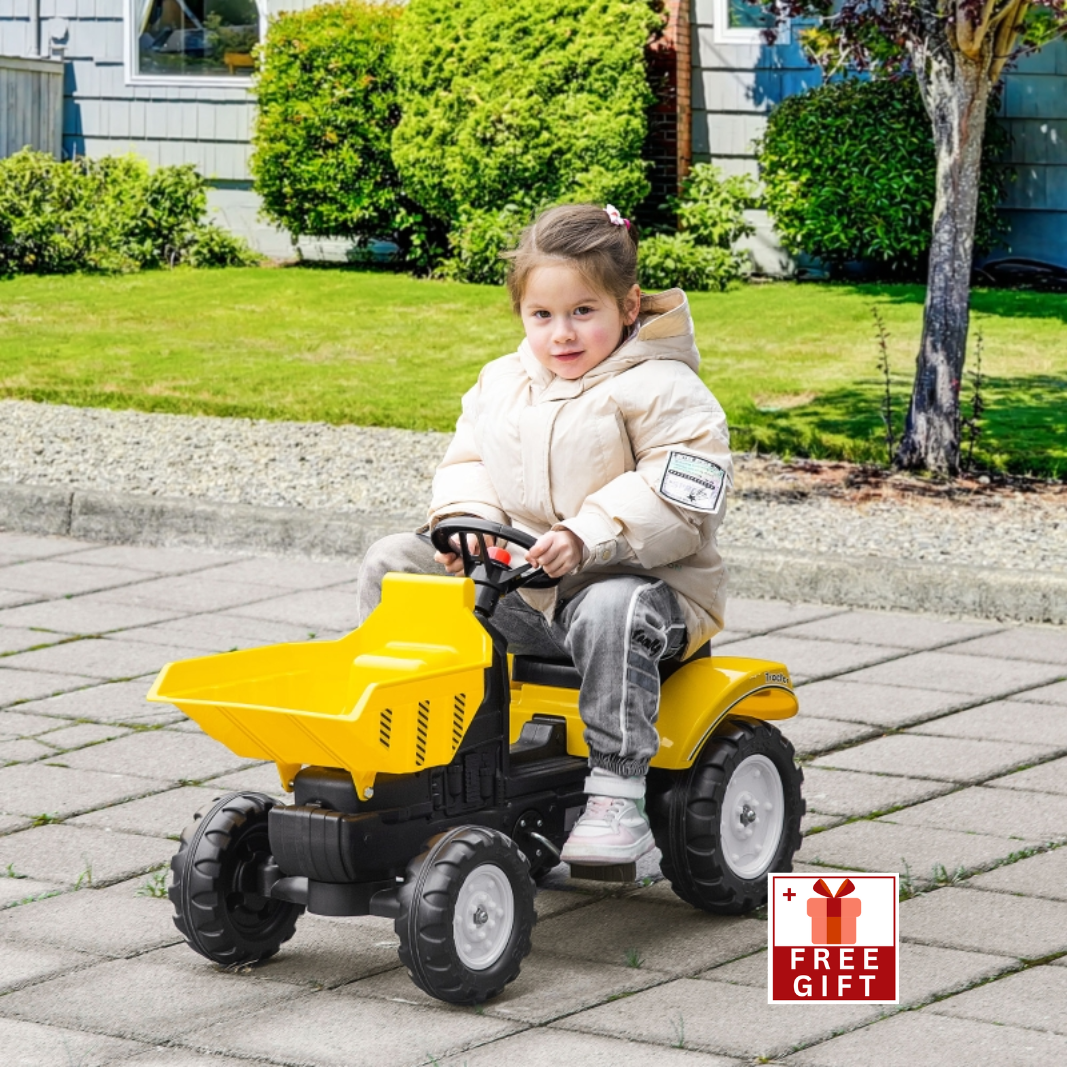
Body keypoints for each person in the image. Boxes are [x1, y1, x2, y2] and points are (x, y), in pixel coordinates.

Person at [357, 202, 732, 866]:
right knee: (393, 560)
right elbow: (467, 465)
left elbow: (681, 502)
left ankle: (616, 790)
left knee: (608, 604)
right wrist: (463, 534)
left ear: (627, 304)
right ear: (521, 314)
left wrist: (587, 535)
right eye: (541, 316)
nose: (560, 334)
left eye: (582, 311)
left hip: (647, 594)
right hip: (521, 586)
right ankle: (407, 747)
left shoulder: (668, 390)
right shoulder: (501, 384)